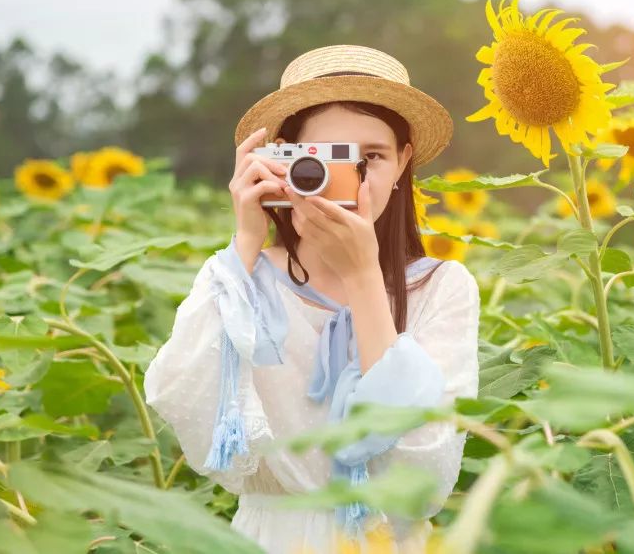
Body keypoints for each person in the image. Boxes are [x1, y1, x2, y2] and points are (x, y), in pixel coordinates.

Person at [143, 45, 480, 554]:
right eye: (326, 157)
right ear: (283, 157)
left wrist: (364, 275)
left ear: (404, 160)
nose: (348, 177)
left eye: (371, 158)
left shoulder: (440, 288)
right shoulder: (238, 280)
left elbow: (424, 472)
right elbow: (191, 415)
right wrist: (245, 244)